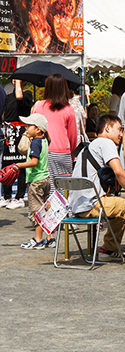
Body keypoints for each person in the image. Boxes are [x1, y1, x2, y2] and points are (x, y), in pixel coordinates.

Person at [70, 114, 125, 266]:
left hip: (78, 205)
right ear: (107, 128)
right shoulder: (105, 142)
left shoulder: (88, 145)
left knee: (121, 207)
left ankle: (109, 251)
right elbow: (119, 172)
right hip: (92, 204)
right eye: (119, 129)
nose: (121, 134)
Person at [33, 74, 78, 195]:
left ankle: (43, 212)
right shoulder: (68, 109)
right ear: (64, 88)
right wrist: (72, 155)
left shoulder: (37, 106)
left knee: (42, 187)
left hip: (40, 152)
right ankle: (59, 212)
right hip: (62, 153)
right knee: (61, 189)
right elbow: (73, 136)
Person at [18, 114, 54, 250]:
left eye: (29, 126)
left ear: (38, 129)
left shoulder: (35, 143)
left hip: (36, 181)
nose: (26, 129)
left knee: (36, 211)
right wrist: (44, 128)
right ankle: (50, 238)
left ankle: (38, 239)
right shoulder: (44, 140)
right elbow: (49, 137)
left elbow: (34, 162)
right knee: (45, 208)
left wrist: (18, 165)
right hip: (46, 179)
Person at [0, 79, 31, 209]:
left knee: (20, 165)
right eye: (13, 79)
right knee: (6, 163)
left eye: (17, 79)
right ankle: (6, 196)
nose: (14, 81)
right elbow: (4, 114)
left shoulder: (27, 95)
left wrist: (19, 82)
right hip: (9, 133)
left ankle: (19, 197)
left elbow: (19, 96)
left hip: (21, 133)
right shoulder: (8, 96)